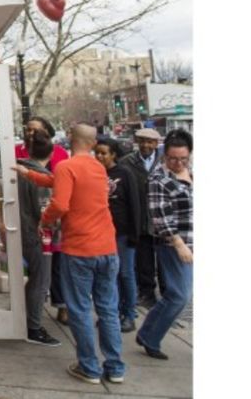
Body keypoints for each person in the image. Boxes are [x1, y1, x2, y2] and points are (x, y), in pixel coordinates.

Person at [28, 123, 124, 385]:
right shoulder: (98, 168)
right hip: (107, 248)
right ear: (93, 143)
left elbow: (60, 202)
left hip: (79, 249)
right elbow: (61, 181)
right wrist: (31, 175)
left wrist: (44, 221)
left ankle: (89, 367)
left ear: (70, 139)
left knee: (80, 309)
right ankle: (115, 368)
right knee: (107, 309)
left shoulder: (66, 167)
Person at [135, 129, 193, 361]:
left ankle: (148, 333)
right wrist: (179, 244)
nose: (178, 163)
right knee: (179, 296)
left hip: (193, 240)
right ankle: (150, 336)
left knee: (176, 295)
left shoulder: (193, 172)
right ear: (164, 155)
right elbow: (160, 217)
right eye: (172, 158)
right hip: (173, 245)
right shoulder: (158, 179)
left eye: (183, 159)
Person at [15, 115, 71, 324]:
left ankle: (60, 304)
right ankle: (32, 317)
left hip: (50, 224)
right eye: (28, 129)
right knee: (39, 274)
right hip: (35, 223)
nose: (30, 133)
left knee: (54, 270)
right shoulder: (18, 153)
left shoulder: (59, 154)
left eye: (35, 130)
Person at [15, 133, 61, 346]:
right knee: (40, 281)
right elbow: (45, 212)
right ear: (51, 154)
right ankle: (33, 327)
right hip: (37, 236)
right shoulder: (42, 177)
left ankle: (25, 319)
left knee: (34, 281)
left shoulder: (18, 170)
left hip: (21, 232)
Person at [95, 137, 142, 333]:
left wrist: (135, 233)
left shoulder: (125, 173)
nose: (99, 156)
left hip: (123, 232)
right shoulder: (94, 173)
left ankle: (129, 314)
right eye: (97, 152)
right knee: (108, 276)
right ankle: (110, 313)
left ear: (113, 154)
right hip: (101, 233)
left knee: (126, 273)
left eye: (103, 153)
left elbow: (134, 203)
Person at [119, 128, 164, 310]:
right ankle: (147, 293)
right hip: (139, 220)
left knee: (163, 261)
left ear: (156, 143)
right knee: (143, 261)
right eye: (142, 141)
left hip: (161, 220)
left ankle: (167, 295)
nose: (146, 145)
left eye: (150, 142)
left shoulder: (164, 162)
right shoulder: (126, 162)